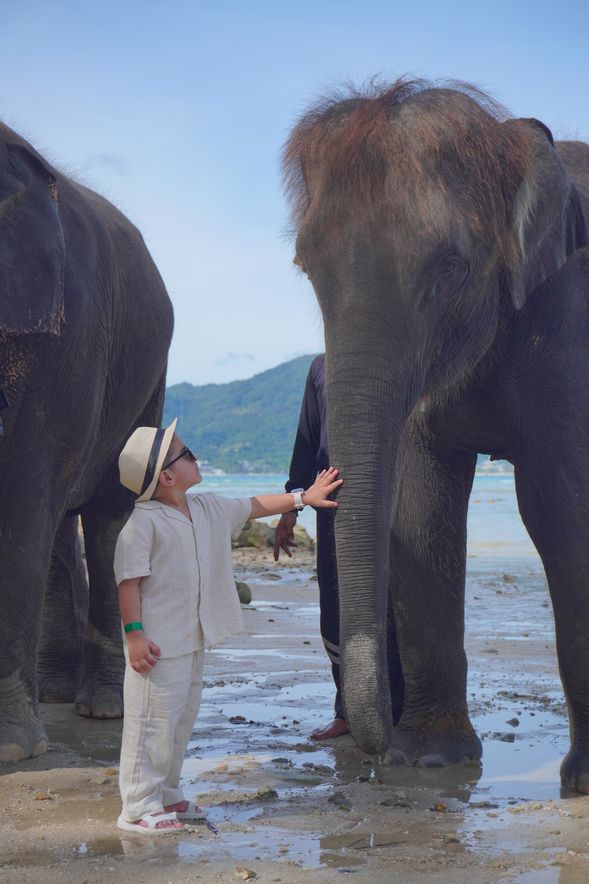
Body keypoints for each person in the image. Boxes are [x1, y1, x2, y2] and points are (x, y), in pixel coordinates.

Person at [114, 417, 342, 834]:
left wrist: (302, 498)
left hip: (194, 637)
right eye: (185, 453)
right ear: (166, 477)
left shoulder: (207, 508)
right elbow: (128, 582)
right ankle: (137, 806)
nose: (194, 454)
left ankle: (167, 793)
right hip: (156, 645)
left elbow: (254, 506)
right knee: (151, 723)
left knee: (180, 721)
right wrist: (134, 635)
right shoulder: (142, 523)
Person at [273, 354, 348, 740]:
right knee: (334, 604)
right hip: (330, 500)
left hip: (389, 497)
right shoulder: (321, 367)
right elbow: (306, 439)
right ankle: (346, 710)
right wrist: (292, 506)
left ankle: (398, 707)